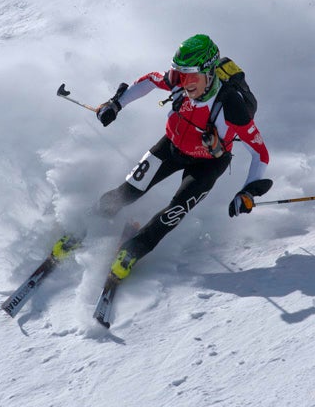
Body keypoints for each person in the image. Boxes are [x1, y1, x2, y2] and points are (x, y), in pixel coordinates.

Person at [93, 34, 273, 282]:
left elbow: (260, 153)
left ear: (209, 74)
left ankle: (132, 252)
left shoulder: (232, 106)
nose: (184, 82)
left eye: (191, 76)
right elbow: (149, 81)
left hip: (208, 164)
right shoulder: (178, 80)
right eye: (180, 74)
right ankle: (88, 222)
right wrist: (116, 104)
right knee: (129, 191)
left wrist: (248, 192)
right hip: (171, 148)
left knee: (174, 211)